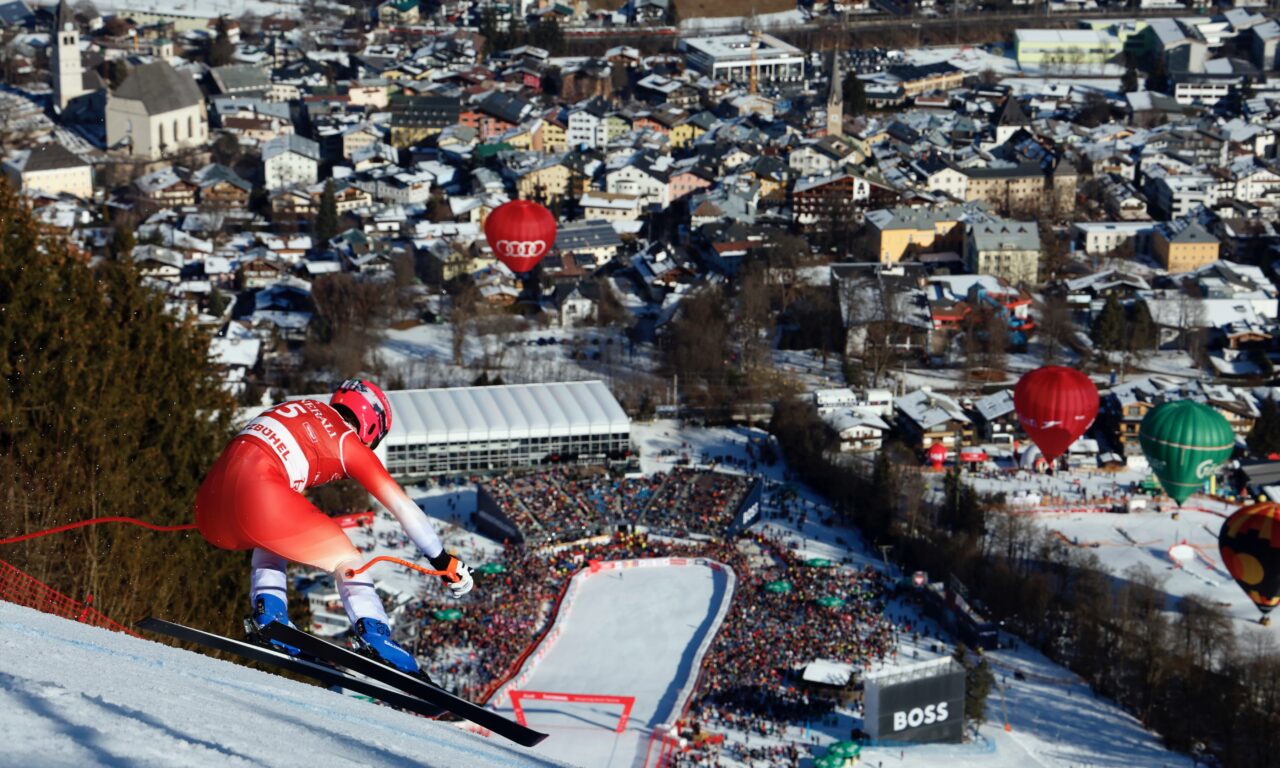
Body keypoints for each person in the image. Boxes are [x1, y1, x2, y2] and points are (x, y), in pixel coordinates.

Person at [195, 379, 473, 675]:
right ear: (371, 425)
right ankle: (376, 637)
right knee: (347, 559)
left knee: (273, 539)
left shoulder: (299, 406)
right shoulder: (346, 441)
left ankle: (270, 613)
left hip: (209, 510)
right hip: (258, 497)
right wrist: (442, 560)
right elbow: (403, 507)